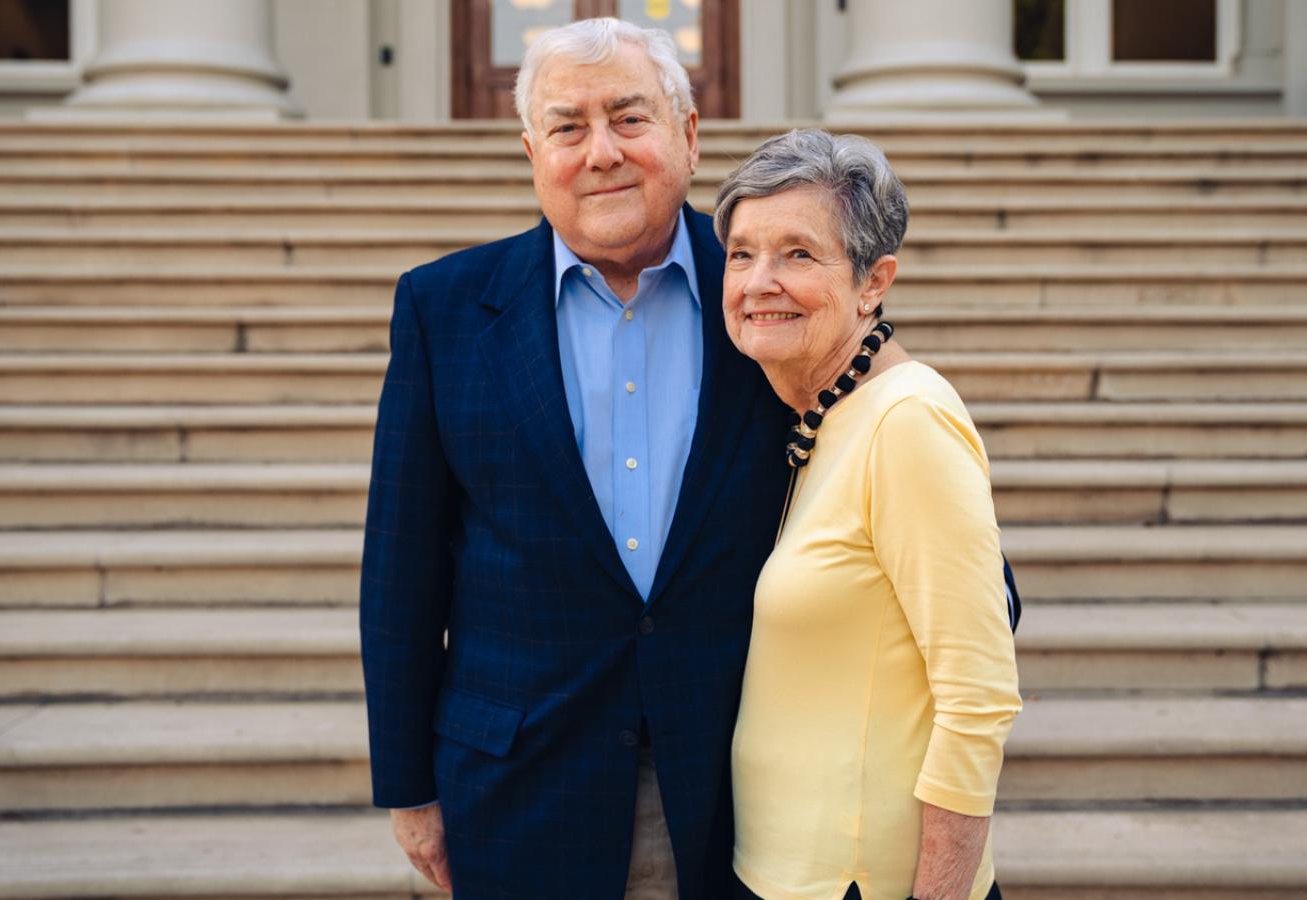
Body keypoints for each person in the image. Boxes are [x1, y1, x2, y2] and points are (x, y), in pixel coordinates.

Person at [358, 18, 788, 900]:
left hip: (742, 780)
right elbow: (400, 574)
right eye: (568, 127)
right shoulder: (444, 311)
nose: (602, 153)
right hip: (518, 786)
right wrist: (407, 789)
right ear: (531, 150)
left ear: (689, 135)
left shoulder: (770, 294)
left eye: (630, 119)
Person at [715, 129, 1022, 900]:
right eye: (742, 253)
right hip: (785, 873)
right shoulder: (823, 414)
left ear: (873, 281)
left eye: (797, 254)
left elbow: (978, 697)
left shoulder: (907, 421)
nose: (759, 281)